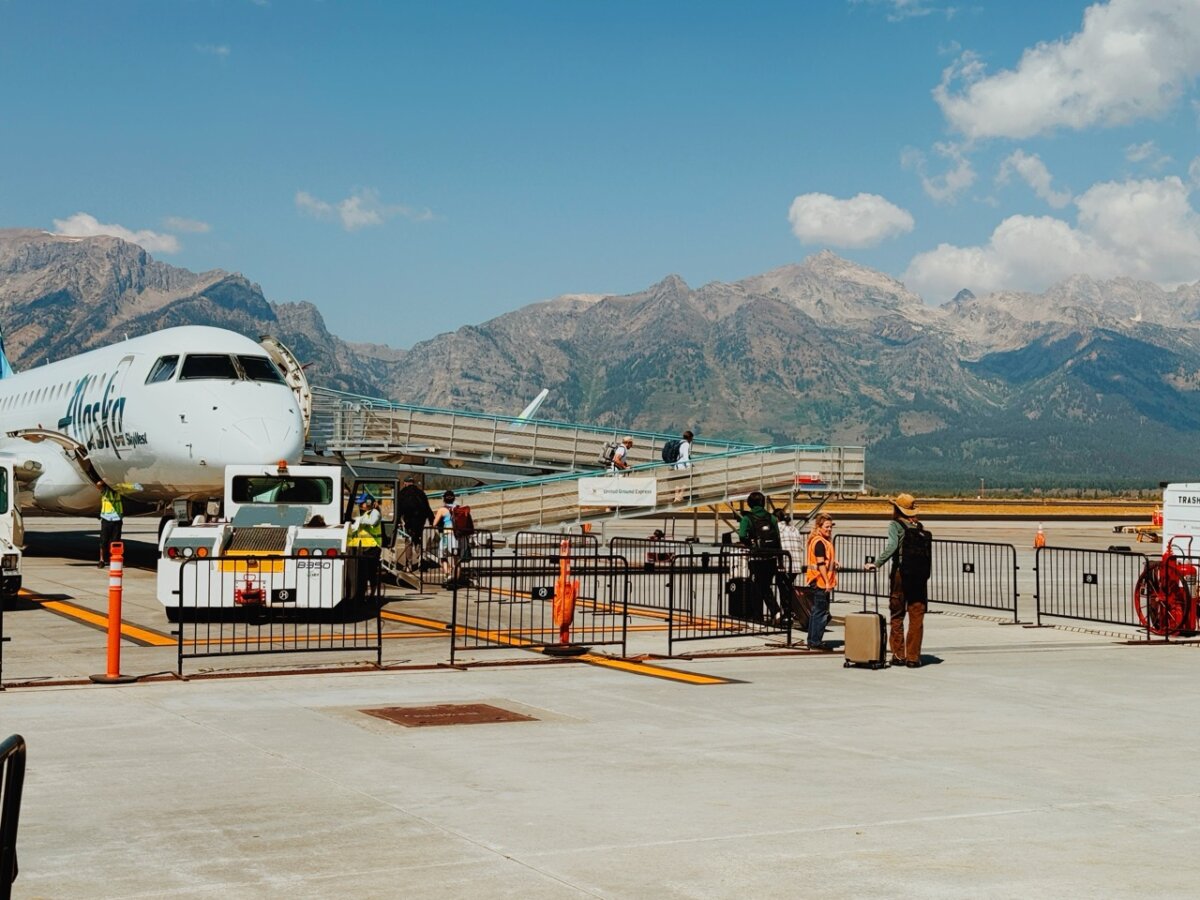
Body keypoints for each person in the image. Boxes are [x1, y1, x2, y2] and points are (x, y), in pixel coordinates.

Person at [865, 492, 927, 668]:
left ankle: (899, 655)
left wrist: (876, 564)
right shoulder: (919, 526)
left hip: (900, 573)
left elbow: (892, 546)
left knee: (897, 613)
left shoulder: (895, 525)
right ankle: (913, 657)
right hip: (919, 575)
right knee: (916, 615)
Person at [737, 491, 786, 623]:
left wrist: (749, 543)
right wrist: (780, 560)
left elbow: (742, 535)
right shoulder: (772, 518)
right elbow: (778, 538)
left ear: (749, 503)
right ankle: (775, 611)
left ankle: (758, 618)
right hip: (771, 558)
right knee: (765, 585)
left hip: (756, 558)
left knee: (756, 589)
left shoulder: (747, 519)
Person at [804, 514, 838, 650]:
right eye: (827, 527)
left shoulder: (820, 540)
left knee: (817, 611)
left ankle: (812, 639)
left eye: (831, 527)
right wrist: (827, 582)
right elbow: (821, 564)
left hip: (817, 580)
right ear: (819, 527)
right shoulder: (819, 542)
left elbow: (826, 561)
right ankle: (816, 641)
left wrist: (834, 563)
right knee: (821, 613)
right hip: (820, 581)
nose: (829, 529)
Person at [347, 493, 383, 596]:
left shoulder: (374, 513)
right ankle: (363, 593)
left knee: (371, 572)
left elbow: (373, 521)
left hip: (372, 547)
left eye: (362, 503)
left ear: (368, 503)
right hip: (363, 548)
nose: (360, 505)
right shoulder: (365, 514)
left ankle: (372, 594)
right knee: (362, 573)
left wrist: (358, 520)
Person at [396, 474, 434, 557]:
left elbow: (398, 508)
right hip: (420, 521)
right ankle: (420, 556)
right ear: (413, 483)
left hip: (408, 520)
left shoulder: (402, 493)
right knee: (417, 538)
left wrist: (397, 520)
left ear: (405, 483)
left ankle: (408, 564)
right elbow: (427, 507)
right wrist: (432, 520)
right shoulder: (421, 493)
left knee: (408, 540)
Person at [431, 490, 463, 587]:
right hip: (457, 536)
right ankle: (456, 581)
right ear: (454, 498)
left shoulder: (442, 510)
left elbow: (434, 523)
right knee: (456, 559)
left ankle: (448, 576)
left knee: (443, 556)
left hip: (447, 535)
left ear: (444, 499)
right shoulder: (458, 508)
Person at [96, 480, 123, 567]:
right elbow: (99, 485)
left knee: (115, 541)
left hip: (117, 519)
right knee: (103, 541)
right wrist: (105, 481)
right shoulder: (105, 491)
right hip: (106, 519)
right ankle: (101, 560)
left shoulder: (119, 490)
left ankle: (114, 559)